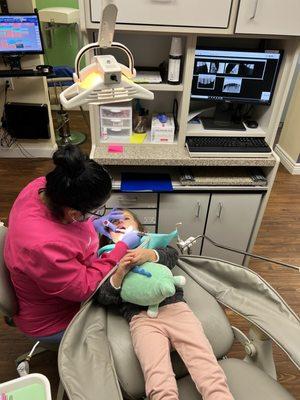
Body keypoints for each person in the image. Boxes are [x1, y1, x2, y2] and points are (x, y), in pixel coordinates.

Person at [4, 145, 140, 343]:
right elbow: (84, 287)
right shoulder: (42, 246)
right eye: (97, 211)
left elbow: (68, 230)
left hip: (50, 286)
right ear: (74, 213)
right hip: (53, 321)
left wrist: (94, 224)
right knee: (123, 330)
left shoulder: (42, 187)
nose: (103, 216)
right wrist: (121, 248)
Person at [96, 209, 234, 400]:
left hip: (175, 309)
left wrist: (149, 255)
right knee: (157, 379)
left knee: (206, 367)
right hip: (142, 320)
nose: (119, 223)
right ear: (105, 233)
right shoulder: (105, 260)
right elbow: (103, 297)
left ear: (139, 227)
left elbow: (171, 255)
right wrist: (119, 272)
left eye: (125, 219)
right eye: (113, 222)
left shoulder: (151, 244)